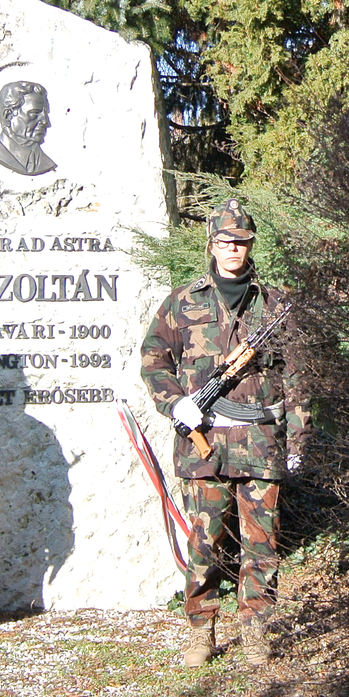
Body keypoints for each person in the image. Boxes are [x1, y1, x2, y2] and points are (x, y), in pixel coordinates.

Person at [140, 199, 308, 667]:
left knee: (262, 542)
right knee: (205, 540)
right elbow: (153, 361)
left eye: (241, 241)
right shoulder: (182, 301)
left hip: (261, 441)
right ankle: (201, 631)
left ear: (250, 245)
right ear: (211, 245)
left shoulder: (276, 305)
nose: (233, 248)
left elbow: (299, 378)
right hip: (205, 444)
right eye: (225, 241)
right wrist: (176, 402)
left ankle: (256, 630)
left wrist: (298, 440)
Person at [0, 80, 56, 176]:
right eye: (34, 113)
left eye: (45, 114)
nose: (45, 122)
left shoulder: (46, 162)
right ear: (8, 116)